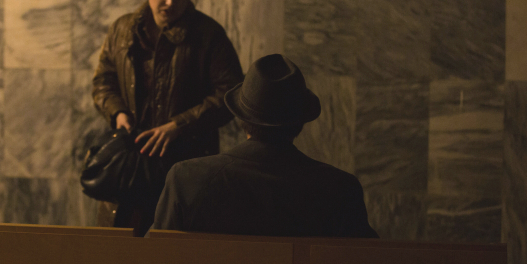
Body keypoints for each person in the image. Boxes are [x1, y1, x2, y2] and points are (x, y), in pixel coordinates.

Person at [92, 0, 244, 236]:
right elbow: (103, 81)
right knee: (119, 251)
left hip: (185, 165)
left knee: (175, 252)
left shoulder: (208, 34)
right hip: (129, 163)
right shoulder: (122, 29)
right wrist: (118, 113)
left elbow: (231, 93)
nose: (170, 2)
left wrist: (178, 126)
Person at [150, 54, 378, 238]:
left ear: (241, 118)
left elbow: (154, 261)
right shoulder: (341, 190)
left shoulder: (187, 179)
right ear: (300, 123)